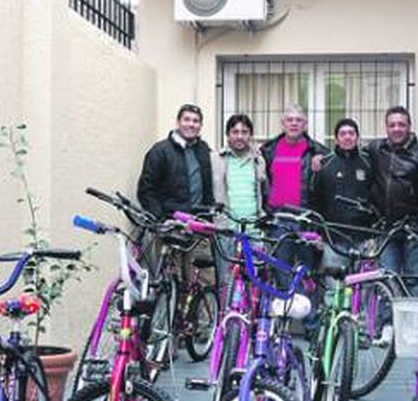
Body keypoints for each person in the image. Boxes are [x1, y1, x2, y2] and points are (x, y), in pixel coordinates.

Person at [366, 105, 418, 295]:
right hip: (387, 229)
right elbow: (350, 155)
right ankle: (387, 323)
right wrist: (321, 159)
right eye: (392, 125)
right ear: (386, 128)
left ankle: (411, 324)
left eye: (401, 124)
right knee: (388, 280)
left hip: (413, 232)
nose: (396, 129)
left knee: (414, 281)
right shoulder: (376, 148)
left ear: (409, 126)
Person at [259, 104, 329, 286]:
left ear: (305, 124)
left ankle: (307, 314)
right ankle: (285, 313)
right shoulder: (268, 150)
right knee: (281, 272)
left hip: (305, 221)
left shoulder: (318, 152)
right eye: (290, 120)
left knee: (306, 275)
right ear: (283, 123)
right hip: (278, 221)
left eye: (298, 120)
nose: (294, 124)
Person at [211, 113, 267, 289]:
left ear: (250, 135)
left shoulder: (258, 160)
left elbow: (263, 192)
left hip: (253, 230)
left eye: (244, 131)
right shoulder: (215, 159)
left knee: (254, 283)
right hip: (226, 230)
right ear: (228, 135)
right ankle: (225, 317)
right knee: (226, 283)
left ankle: (249, 317)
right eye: (235, 132)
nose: (240, 136)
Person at [313, 117, 376, 272]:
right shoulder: (325, 164)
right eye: (343, 134)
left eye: (351, 133)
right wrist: (318, 232)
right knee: (334, 288)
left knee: (362, 289)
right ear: (336, 138)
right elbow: (316, 200)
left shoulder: (369, 163)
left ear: (357, 137)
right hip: (334, 239)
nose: (347, 137)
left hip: (363, 237)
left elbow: (375, 196)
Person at [137, 103, 213, 220]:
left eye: (195, 121)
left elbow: (209, 188)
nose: (191, 124)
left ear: (200, 125)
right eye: (186, 120)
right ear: (178, 122)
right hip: (171, 225)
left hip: (200, 222)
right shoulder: (160, 151)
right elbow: (146, 190)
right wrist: (160, 219)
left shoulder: (204, 150)